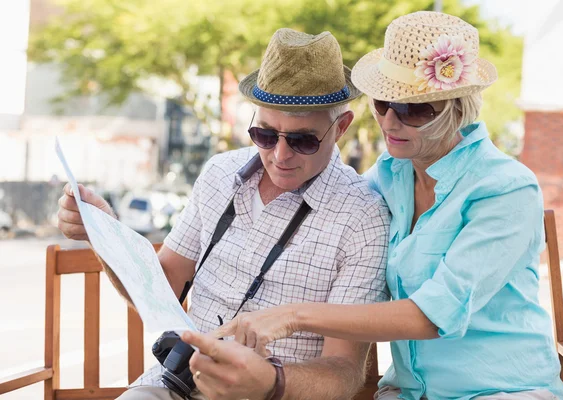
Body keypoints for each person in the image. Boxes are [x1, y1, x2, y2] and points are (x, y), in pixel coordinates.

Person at [213, 12, 563, 400]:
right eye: (383, 103)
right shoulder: (389, 174)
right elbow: (328, 216)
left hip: (503, 390)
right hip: (406, 393)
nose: (390, 122)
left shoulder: (506, 189)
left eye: (414, 110)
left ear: (458, 108)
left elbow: (433, 314)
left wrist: (291, 317)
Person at [57, 28, 390, 400]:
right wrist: (105, 233)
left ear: (341, 127)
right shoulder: (218, 172)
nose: (280, 156)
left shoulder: (363, 216)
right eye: (265, 134)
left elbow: (343, 374)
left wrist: (268, 380)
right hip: (177, 383)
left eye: (302, 140)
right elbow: (159, 288)